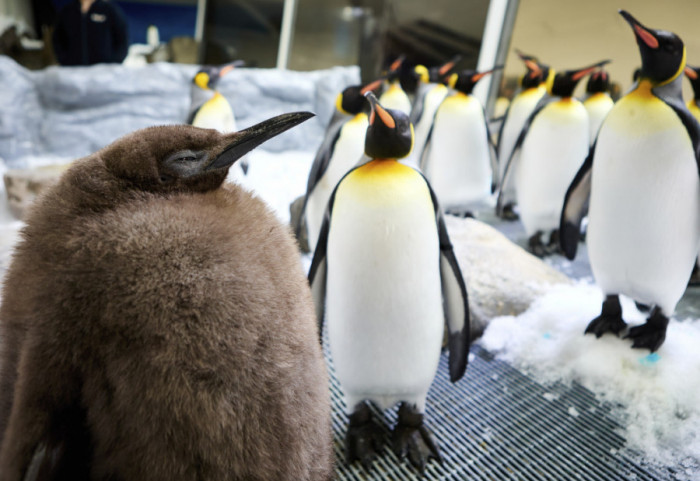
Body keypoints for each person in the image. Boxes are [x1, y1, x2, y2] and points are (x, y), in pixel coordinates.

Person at [53, 0, 128, 66]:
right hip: (74, 71)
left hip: (103, 72)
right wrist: (65, 60)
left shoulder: (109, 10)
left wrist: (114, 63)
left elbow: (122, 38)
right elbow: (57, 39)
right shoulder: (67, 11)